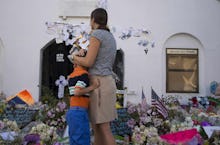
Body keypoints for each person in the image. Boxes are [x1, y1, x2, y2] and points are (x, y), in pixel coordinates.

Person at [72, 8, 117, 145]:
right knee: (97, 127)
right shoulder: (110, 36)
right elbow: (97, 59)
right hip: (106, 82)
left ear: (93, 19)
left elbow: (89, 62)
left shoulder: (97, 34)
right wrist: (83, 53)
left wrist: (74, 57)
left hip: (99, 83)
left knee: (103, 127)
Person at [66, 58, 99, 145]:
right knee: (82, 140)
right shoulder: (83, 74)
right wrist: (93, 86)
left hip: (72, 111)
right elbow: (77, 92)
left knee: (74, 140)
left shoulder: (72, 75)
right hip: (79, 111)